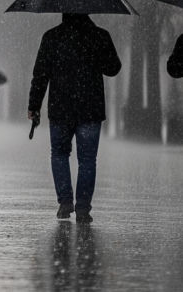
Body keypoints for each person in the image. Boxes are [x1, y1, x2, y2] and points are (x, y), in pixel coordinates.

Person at [27, 12, 121, 223]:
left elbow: (40, 74)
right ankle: (83, 208)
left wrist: (34, 105)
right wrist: (96, 50)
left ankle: (65, 202)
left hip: (60, 108)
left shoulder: (51, 37)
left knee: (59, 154)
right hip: (90, 108)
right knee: (87, 160)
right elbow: (114, 68)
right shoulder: (99, 36)